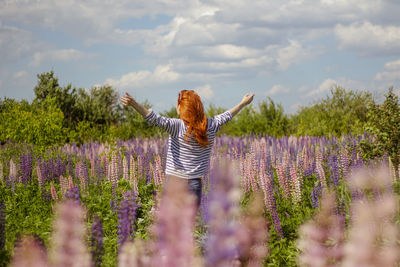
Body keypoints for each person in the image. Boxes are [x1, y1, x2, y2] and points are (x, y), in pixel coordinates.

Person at [121, 90, 254, 209]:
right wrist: (243, 103)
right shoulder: (211, 125)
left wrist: (134, 104)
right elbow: (227, 115)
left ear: (181, 108)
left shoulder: (176, 126)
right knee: (188, 228)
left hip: (174, 182)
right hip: (194, 183)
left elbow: (153, 118)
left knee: (171, 226)